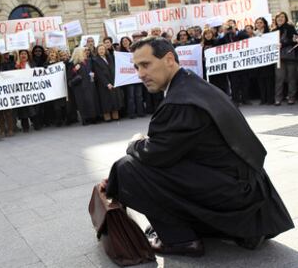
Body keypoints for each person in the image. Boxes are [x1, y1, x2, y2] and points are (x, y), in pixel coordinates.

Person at [99, 37, 294, 257]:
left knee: (127, 169)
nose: (140, 73)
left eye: (146, 64)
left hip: (235, 194)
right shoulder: (193, 85)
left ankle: (181, 240)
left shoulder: (180, 101)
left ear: (169, 59)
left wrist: (134, 143)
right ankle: (232, 229)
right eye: (136, 67)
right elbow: (173, 148)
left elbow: (155, 156)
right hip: (245, 188)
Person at [68, 47, 100, 125]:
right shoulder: (73, 63)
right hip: (79, 86)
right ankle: (85, 119)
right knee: (82, 102)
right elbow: (69, 76)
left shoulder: (88, 61)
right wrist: (75, 69)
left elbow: (92, 70)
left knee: (91, 101)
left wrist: (92, 76)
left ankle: (93, 117)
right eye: (84, 51)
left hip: (90, 84)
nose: (86, 52)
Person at [92, 44, 123, 122]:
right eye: (100, 49)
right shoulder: (95, 60)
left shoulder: (110, 58)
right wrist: (107, 83)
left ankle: (115, 116)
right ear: (97, 51)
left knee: (115, 98)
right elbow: (99, 74)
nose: (101, 51)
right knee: (106, 100)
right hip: (103, 84)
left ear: (105, 50)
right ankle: (107, 117)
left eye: (103, 49)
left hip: (113, 80)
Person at [273, 11, 297, 105]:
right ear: (276, 19)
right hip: (278, 58)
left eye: (282, 16)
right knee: (279, 78)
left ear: (286, 18)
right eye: (278, 17)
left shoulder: (291, 28)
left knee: (292, 78)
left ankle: (291, 98)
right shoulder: (274, 31)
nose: (280, 18)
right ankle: (278, 98)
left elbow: (295, 40)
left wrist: (283, 44)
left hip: (290, 57)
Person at [120, 36, 145, 119]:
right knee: (130, 96)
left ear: (129, 41)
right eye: (123, 41)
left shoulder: (135, 50)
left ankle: (141, 112)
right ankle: (132, 113)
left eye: (126, 40)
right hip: (128, 78)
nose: (125, 42)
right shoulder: (120, 52)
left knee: (139, 95)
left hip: (137, 76)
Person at [253, 17, 275, 105]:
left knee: (269, 80)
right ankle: (263, 99)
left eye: (260, 22)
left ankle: (270, 99)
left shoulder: (269, 33)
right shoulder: (253, 35)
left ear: (264, 24)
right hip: (258, 61)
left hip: (267, 60)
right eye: (257, 23)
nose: (258, 24)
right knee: (260, 81)